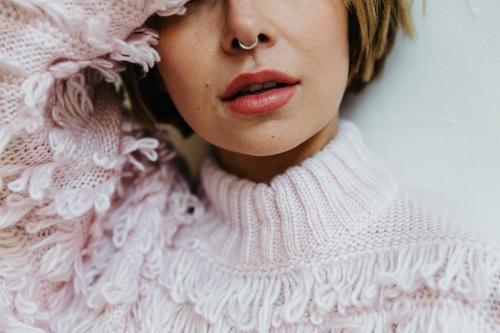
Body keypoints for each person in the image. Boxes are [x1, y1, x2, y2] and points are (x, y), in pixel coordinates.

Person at [0, 1, 498, 332]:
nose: (244, 28)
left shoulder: (462, 284)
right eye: (190, 0)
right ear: (143, 33)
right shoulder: (99, 256)